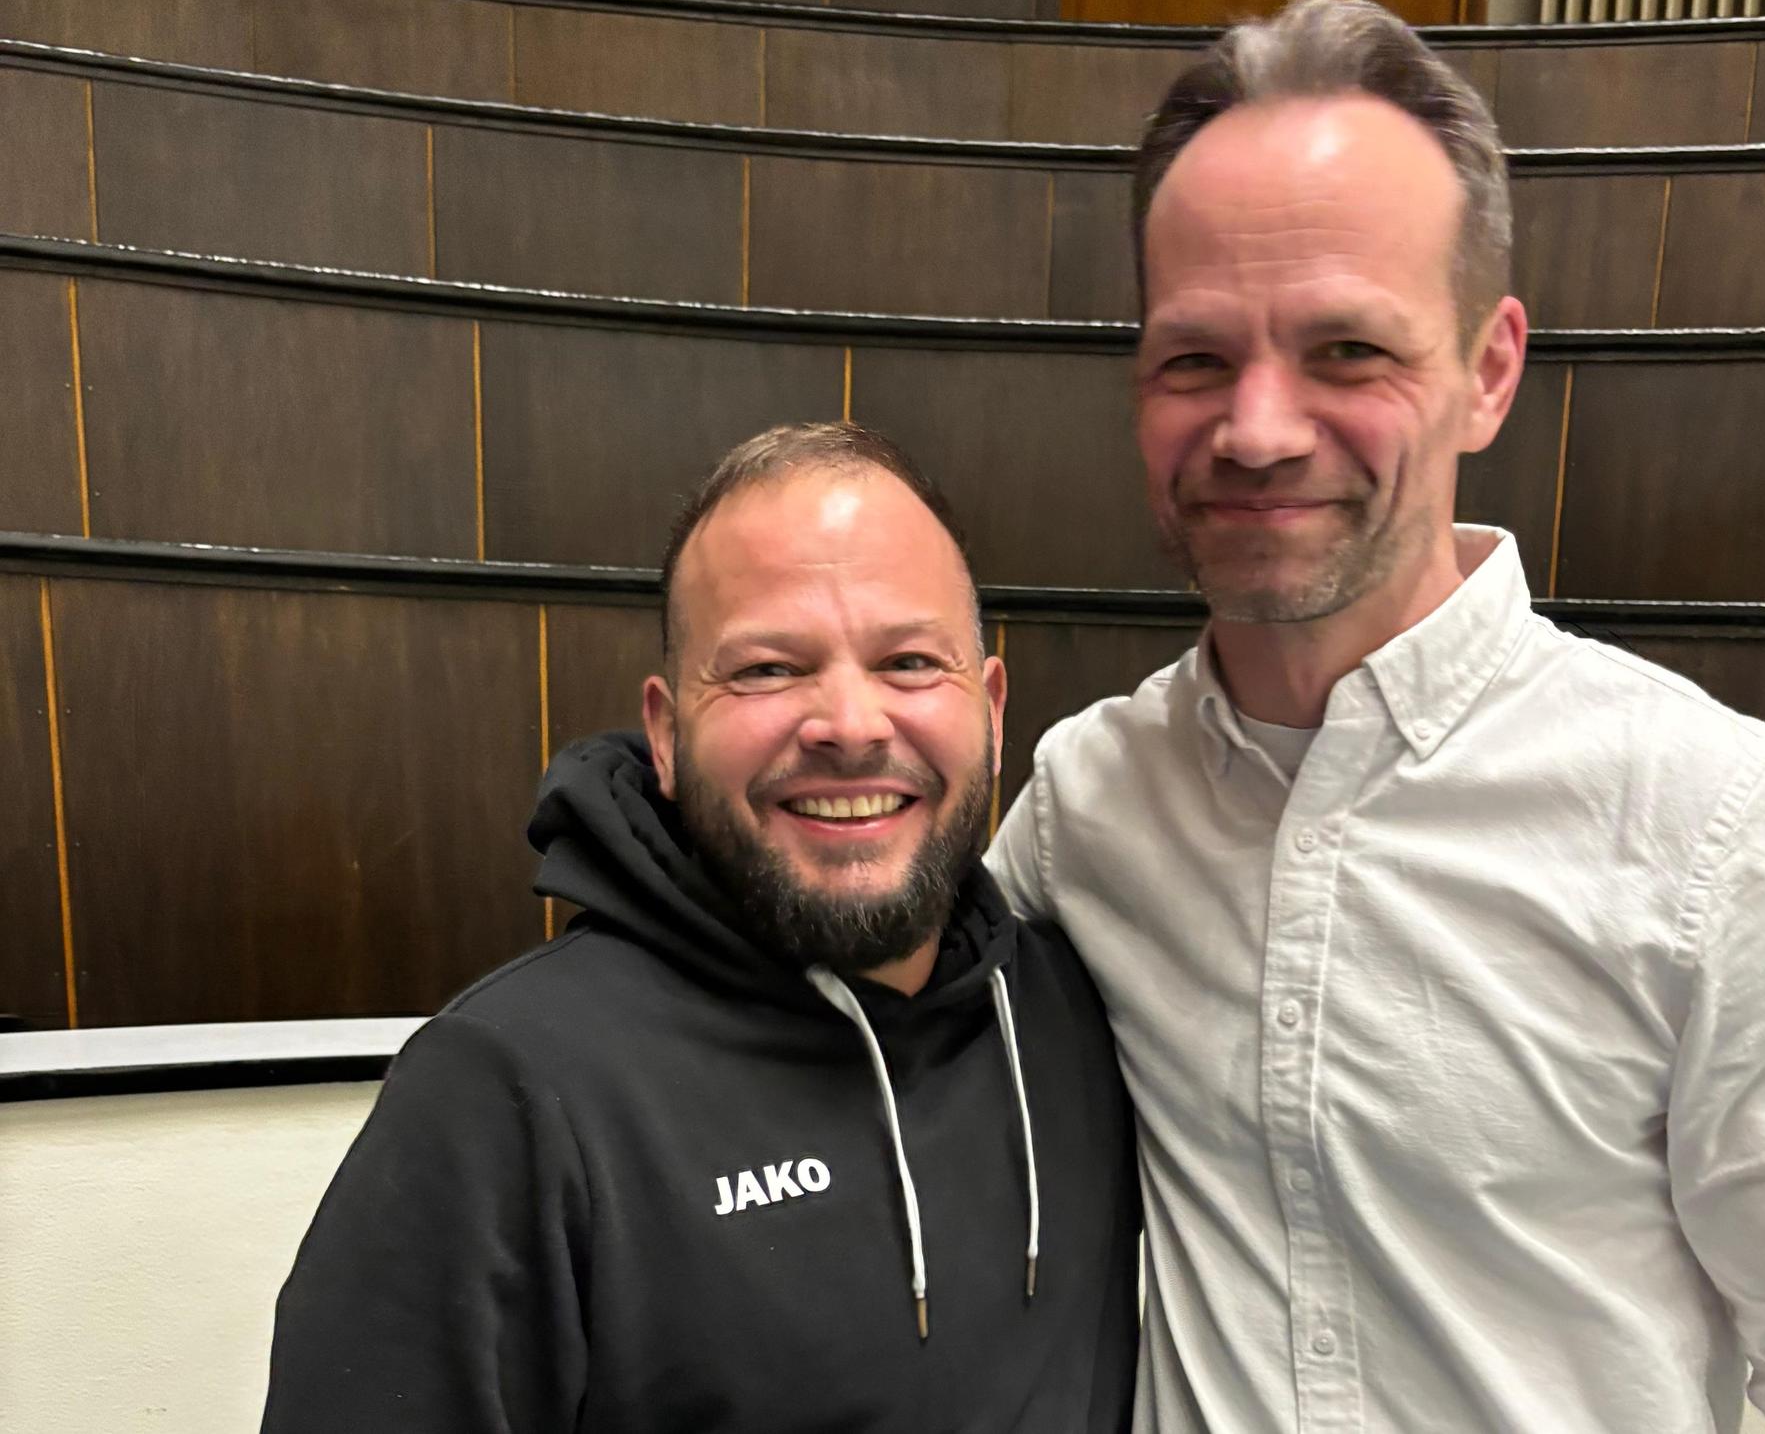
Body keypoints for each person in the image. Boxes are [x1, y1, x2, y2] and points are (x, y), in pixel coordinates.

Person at [987, 0, 1765, 1433]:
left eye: (1349, 352)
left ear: (1490, 370)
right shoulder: (1086, 804)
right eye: (1197, 356)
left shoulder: (1715, 816)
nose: (1258, 430)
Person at [263, 423, 1140, 1433]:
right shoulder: (504, 1096)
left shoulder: (1077, 1020)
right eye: (768, 669)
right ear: (667, 734)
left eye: (907, 660)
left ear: (990, 710)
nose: (850, 725)